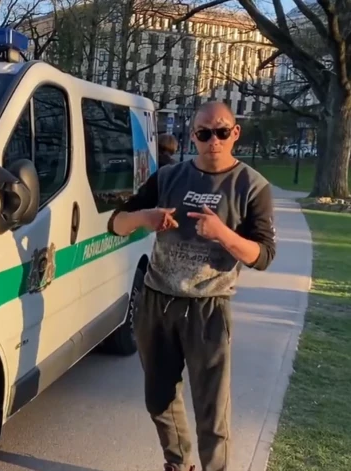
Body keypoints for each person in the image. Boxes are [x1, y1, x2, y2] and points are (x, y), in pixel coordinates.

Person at [108, 102, 276, 471]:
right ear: (192, 136)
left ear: (235, 134)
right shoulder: (168, 178)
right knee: (159, 399)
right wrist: (143, 218)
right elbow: (116, 223)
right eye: (203, 133)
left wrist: (224, 234)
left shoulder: (251, 186)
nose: (212, 140)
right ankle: (178, 463)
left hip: (209, 308)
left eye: (220, 132)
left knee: (212, 412)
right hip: (158, 302)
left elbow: (262, 255)